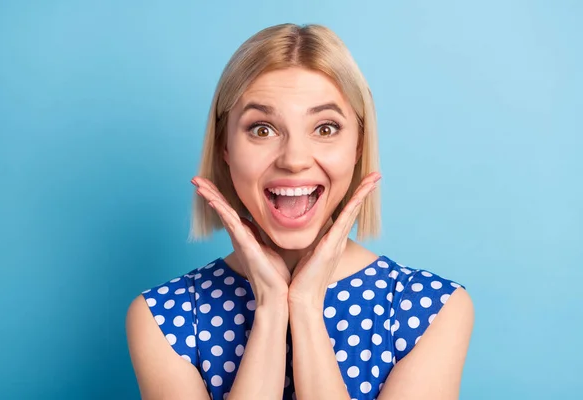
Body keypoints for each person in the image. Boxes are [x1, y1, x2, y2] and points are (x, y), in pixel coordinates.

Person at [126, 23, 474, 400]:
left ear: (358, 145)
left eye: (325, 128)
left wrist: (305, 307)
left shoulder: (434, 311)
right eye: (262, 129)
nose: (294, 160)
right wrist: (271, 308)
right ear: (224, 148)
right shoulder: (161, 317)